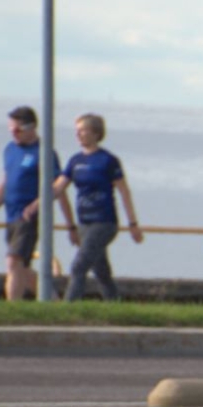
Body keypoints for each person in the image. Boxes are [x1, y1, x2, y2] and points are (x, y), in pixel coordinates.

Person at [54, 112, 142, 300]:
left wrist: (132, 224)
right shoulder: (75, 161)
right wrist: (35, 204)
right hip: (84, 223)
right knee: (101, 270)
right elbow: (57, 188)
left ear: (95, 133)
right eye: (76, 131)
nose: (78, 134)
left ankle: (68, 309)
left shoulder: (108, 160)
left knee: (78, 266)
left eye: (83, 130)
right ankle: (114, 305)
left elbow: (124, 192)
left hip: (104, 223)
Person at [0, 106, 45, 301]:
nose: (13, 133)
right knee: (22, 268)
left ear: (31, 127)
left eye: (18, 129)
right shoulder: (10, 149)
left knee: (13, 261)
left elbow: (56, 186)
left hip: (28, 216)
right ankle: (54, 303)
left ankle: (12, 307)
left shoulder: (43, 152)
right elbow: (4, 184)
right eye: (10, 129)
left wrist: (37, 204)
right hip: (11, 214)